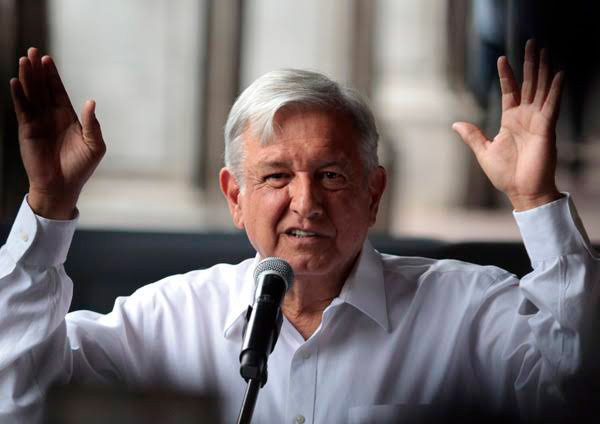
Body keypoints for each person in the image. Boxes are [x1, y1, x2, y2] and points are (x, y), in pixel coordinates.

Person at [1, 41, 598, 423]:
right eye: (276, 176)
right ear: (236, 198)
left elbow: (575, 391)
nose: (306, 203)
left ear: (374, 194)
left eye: (332, 176)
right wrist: (49, 205)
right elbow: (18, 396)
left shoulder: (466, 308)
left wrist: (535, 200)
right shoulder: (169, 320)